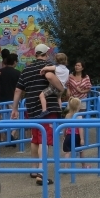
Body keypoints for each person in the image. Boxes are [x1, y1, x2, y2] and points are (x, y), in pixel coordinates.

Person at [11, 43, 62, 185]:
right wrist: (61, 88)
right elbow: (56, 82)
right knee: (44, 139)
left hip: (31, 107)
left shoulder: (26, 69)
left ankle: (34, 169)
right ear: (46, 54)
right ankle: (41, 172)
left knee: (35, 138)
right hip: (47, 108)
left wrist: (14, 108)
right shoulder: (49, 67)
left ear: (36, 54)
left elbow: (18, 90)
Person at [61, 96, 87, 169]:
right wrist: (82, 139)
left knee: (67, 152)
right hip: (76, 136)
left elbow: (65, 127)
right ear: (78, 106)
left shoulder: (67, 115)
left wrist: (64, 135)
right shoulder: (78, 116)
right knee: (81, 151)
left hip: (68, 136)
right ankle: (83, 165)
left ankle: (65, 167)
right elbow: (80, 128)